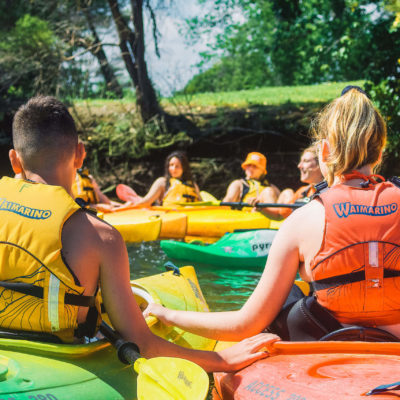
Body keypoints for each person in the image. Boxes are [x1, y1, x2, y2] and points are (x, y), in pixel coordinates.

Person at [0, 95, 279, 372]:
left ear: (14, 160)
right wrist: (222, 360)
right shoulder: (101, 237)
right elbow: (141, 343)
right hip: (63, 359)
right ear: (80, 154)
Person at [144, 86, 400, 342]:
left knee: (290, 296)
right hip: (393, 351)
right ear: (379, 153)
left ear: (323, 151)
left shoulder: (302, 220)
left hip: (327, 354)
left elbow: (243, 325)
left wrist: (166, 313)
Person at [258, 144, 324, 219]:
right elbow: (280, 215)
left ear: (320, 164)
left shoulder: (331, 190)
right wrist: (260, 207)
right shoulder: (302, 192)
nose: (299, 166)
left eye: (305, 161)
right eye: (300, 161)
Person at [119, 150, 202, 207]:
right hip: (169, 215)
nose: (173, 169)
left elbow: (201, 203)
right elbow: (147, 201)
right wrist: (128, 207)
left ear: (184, 167)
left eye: (177, 166)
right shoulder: (162, 182)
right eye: (171, 165)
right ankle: (127, 203)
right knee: (136, 202)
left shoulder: (192, 184)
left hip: (191, 214)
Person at [71, 143, 122, 212]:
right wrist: (97, 207)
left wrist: (121, 206)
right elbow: (73, 206)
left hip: (95, 211)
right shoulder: (65, 178)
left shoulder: (88, 177)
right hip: (83, 213)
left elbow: (103, 199)